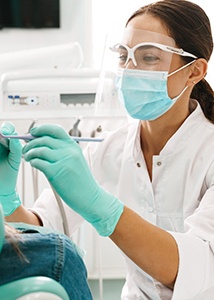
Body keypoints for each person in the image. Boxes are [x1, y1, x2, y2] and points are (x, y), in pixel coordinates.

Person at [2, 0, 214, 299]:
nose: (129, 69)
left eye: (149, 57)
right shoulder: (108, 150)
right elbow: (43, 233)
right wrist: (8, 201)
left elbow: (197, 269)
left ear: (195, 71)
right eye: (123, 56)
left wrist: (102, 208)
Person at [0, 126, 93, 300]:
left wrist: (8, 203)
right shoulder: (58, 255)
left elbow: (43, 223)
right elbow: (49, 225)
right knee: (61, 255)